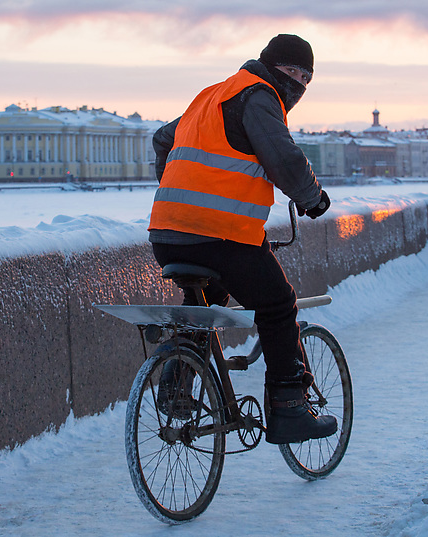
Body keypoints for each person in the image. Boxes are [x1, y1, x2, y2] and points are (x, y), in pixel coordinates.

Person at [148, 34, 336, 444]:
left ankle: (177, 384)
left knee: (205, 299)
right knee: (278, 304)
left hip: (166, 231)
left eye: (307, 77)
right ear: (272, 67)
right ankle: (290, 409)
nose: (299, 84)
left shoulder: (214, 95)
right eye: (293, 73)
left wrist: (179, 186)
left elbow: (163, 139)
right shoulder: (259, 95)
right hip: (220, 234)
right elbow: (284, 156)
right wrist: (312, 199)